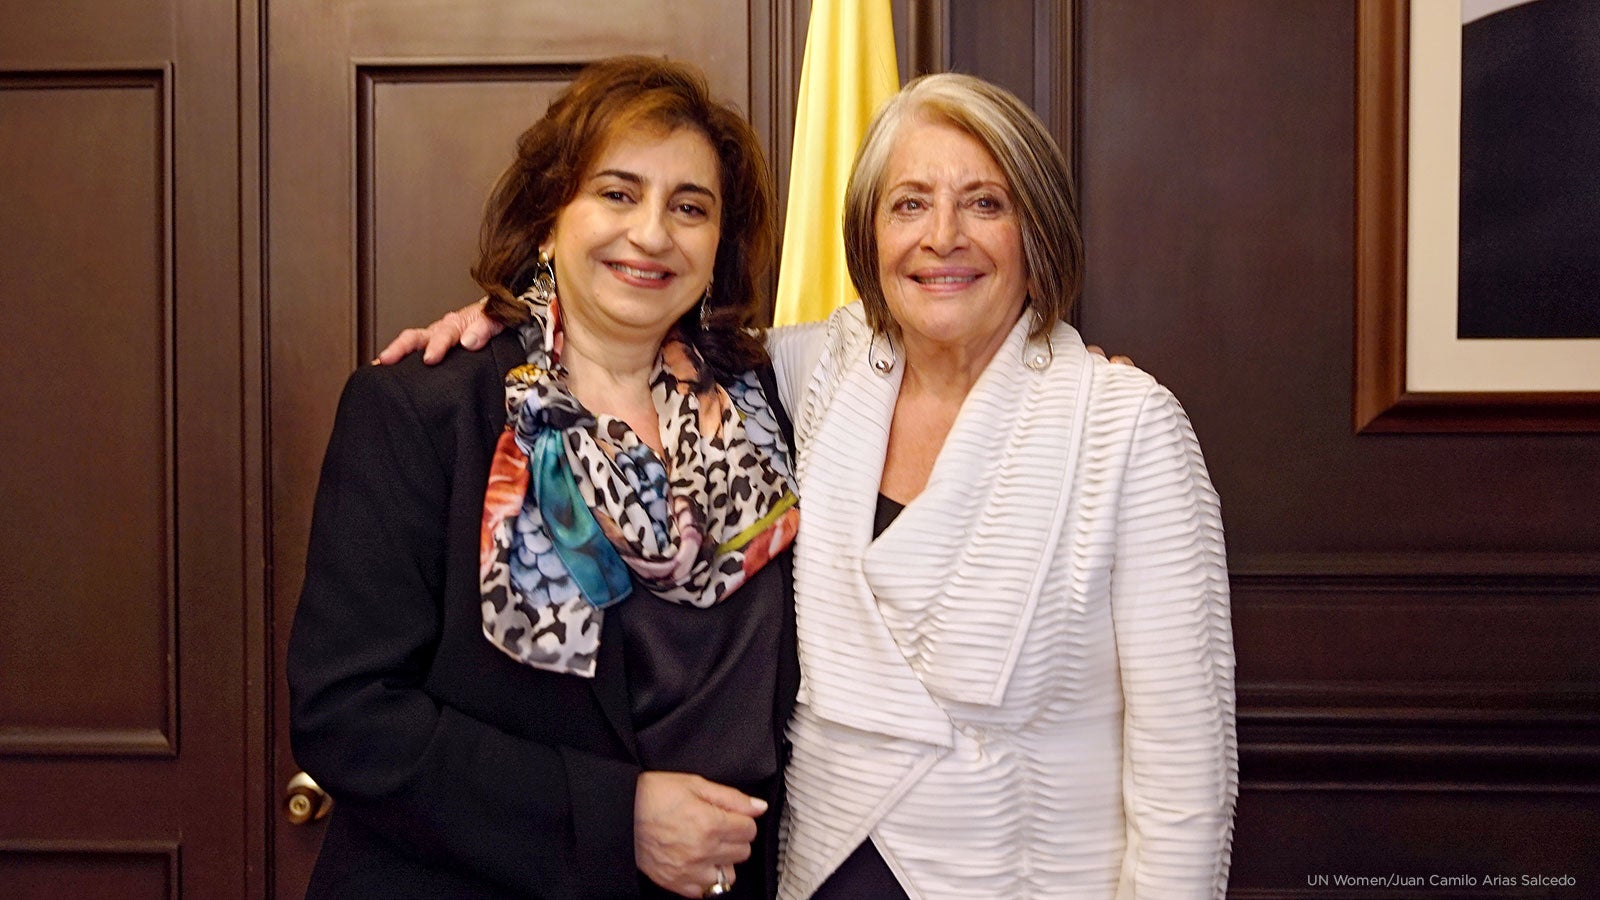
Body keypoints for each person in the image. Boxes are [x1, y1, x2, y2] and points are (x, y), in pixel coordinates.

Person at [383, 73, 1237, 899]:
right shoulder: (803, 376)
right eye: (908, 204)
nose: (942, 236)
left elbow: (1184, 774)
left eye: (985, 202)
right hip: (813, 874)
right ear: (868, 236)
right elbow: (632, 312)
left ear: (1038, 233)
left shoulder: (1125, 425)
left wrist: (1092, 398)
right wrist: (506, 316)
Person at [288, 56, 802, 900]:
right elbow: (347, 716)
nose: (651, 234)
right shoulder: (425, 412)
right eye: (617, 193)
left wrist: (1094, 378)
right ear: (548, 219)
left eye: (690, 207)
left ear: (722, 243)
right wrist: (614, 818)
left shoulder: (774, 413)